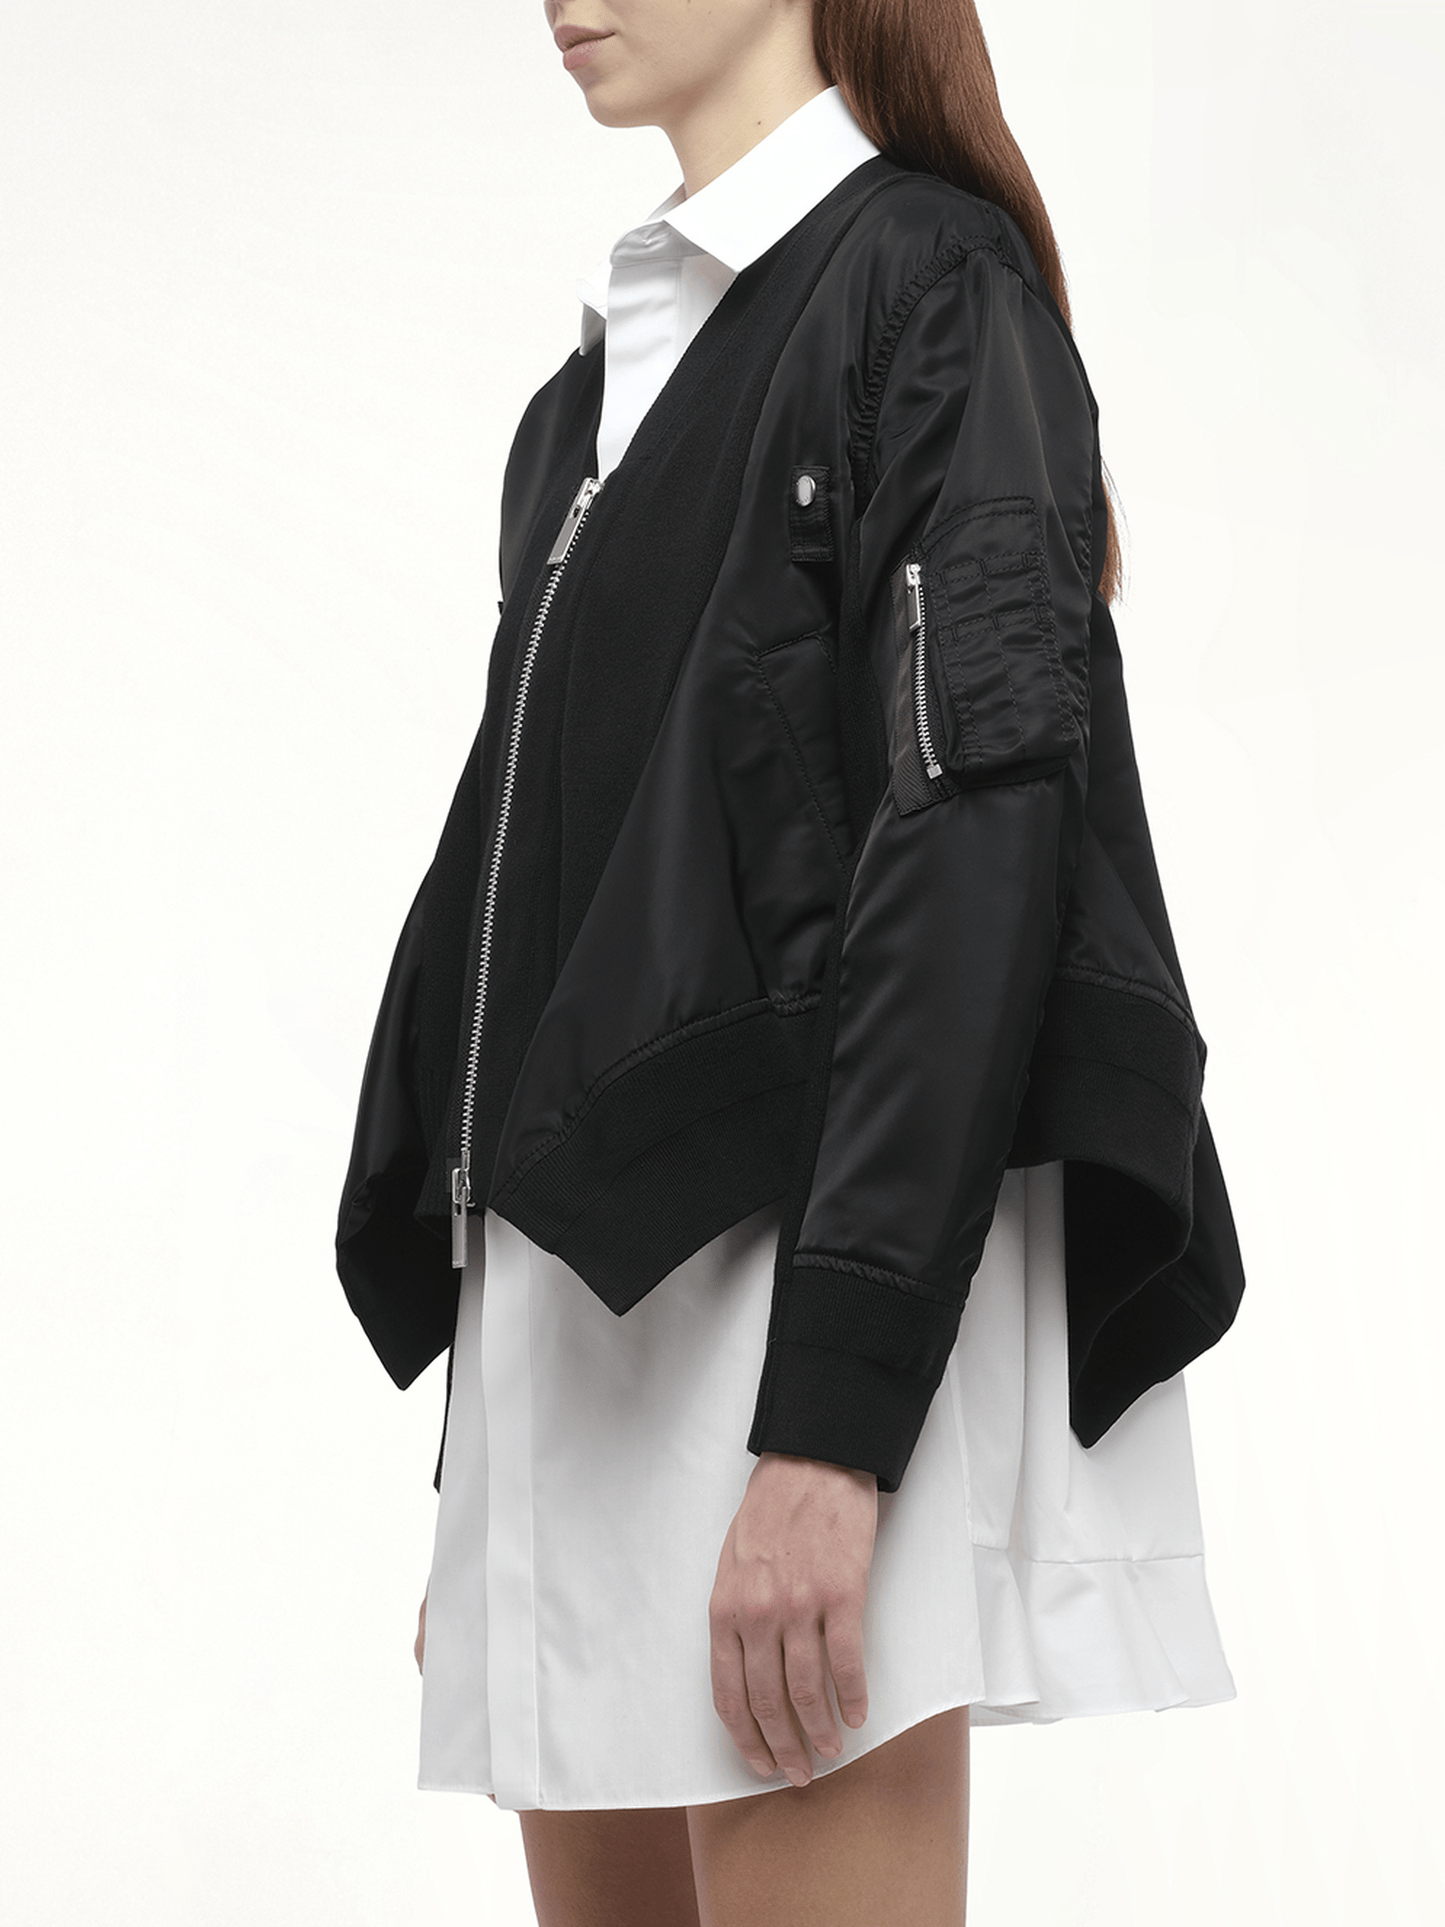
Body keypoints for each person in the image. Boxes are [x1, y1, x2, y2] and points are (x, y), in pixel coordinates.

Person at [335, 1, 1247, 1920]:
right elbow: (539, 921)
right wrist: (492, 1462)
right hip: (582, 1324)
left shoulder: (929, 283)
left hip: (793, 1308)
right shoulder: (589, 398)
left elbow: (974, 855)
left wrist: (834, 1427)